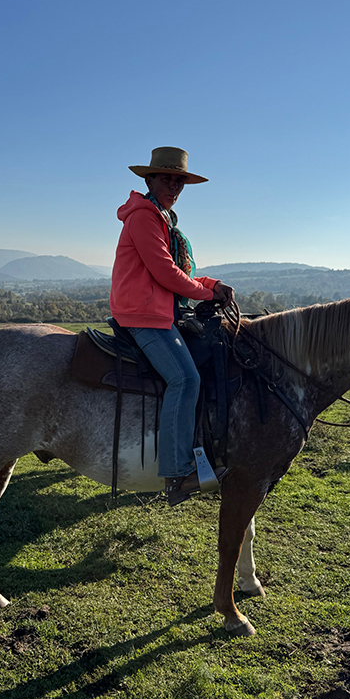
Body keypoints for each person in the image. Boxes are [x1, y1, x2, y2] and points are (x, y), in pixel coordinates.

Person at [109, 146, 234, 506]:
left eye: (179, 181)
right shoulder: (146, 218)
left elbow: (184, 273)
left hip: (159, 312)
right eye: (167, 178)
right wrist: (206, 295)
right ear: (149, 179)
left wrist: (210, 286)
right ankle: (178, 472)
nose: (174, 186)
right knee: (185, 378)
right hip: (143, 315)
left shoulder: (162, 218)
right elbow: (165, 272)